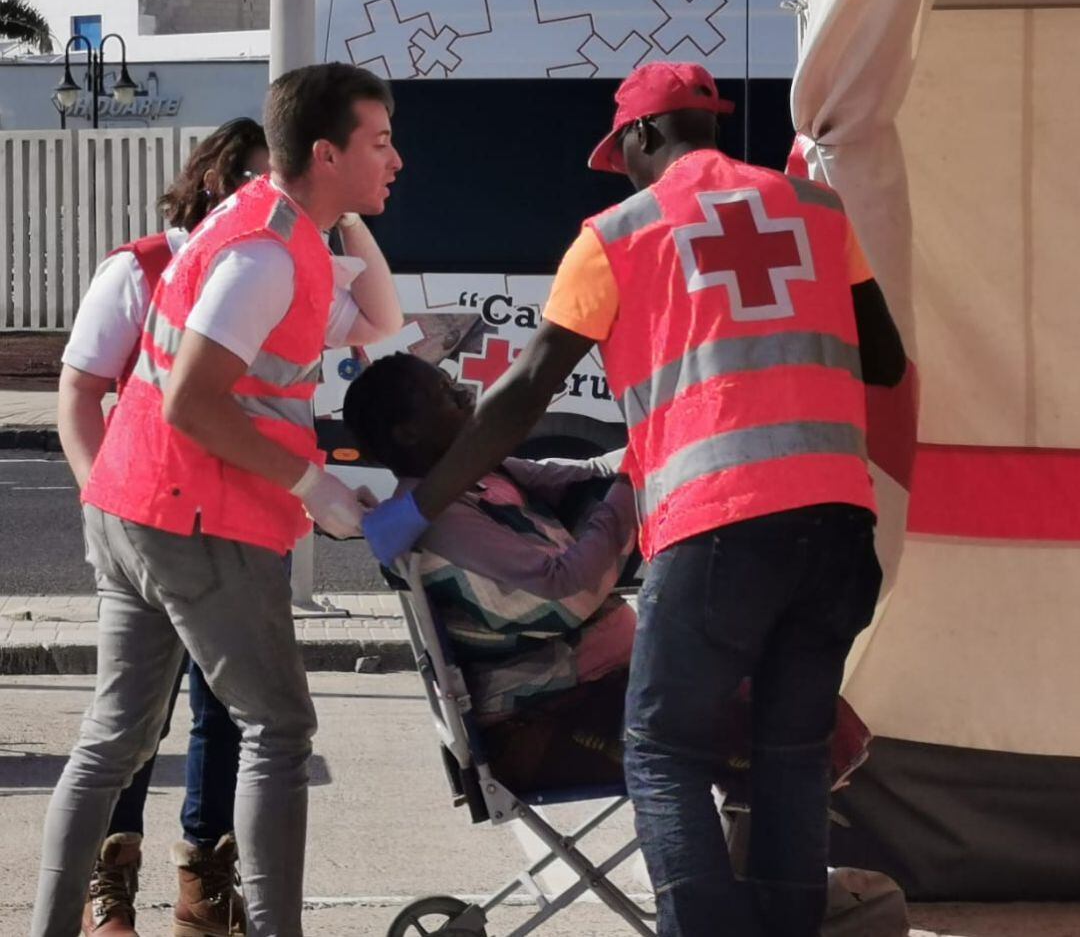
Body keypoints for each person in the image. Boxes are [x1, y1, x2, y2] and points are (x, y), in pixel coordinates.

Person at [363, 61, 906, 937]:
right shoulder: (817, 211)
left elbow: (527, 390)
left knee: (663, 748)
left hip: (721, 523)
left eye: (623, 155)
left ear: (645, 136)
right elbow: (881, 361)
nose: (623, 171)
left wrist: (425, 497)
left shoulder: (617, 234)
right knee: (791, 755)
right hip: (841, 524)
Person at [33, 62, 403, 937]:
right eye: (380, 144)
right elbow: (194, 401)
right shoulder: (265, 256)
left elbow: (379, 319)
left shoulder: (271, 230)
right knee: (277, 730)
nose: (398, 162)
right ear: (324, 151)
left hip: (132, 508)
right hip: (196, 518)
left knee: (113, 740)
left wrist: (341, 208)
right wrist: (311, 483)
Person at [344, 353, 871, 800]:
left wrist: (672, 438)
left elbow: (590, 475)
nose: (463, 392)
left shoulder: (481, 478)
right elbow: (566, 591)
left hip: (606, 687)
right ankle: (738, 898)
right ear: (407, 432)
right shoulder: (442, 521)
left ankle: (748, 882)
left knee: (790, 693)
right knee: (793, 732)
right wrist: (631, 485)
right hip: (548, 724)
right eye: (443, 392)